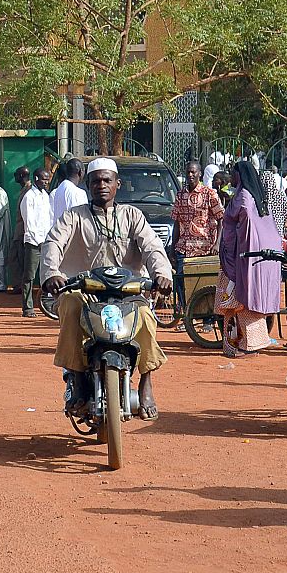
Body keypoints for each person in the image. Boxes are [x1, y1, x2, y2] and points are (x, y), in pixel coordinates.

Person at [42, 158, 173, 419]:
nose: (101, 185)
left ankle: (146, 382)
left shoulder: (132, 215)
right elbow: (53, 243)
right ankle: (78, 378)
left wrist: (162, 274)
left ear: (117, 185)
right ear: (88, 185)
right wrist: (51, 273)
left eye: (107, 180)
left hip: (128, 292)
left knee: (146, 316)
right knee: (69, 305)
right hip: (85, 291)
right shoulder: (74, 216)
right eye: (96, 181)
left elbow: (152, 247)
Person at [215, 160, 282, 356]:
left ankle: (245, 344)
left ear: (241, 176)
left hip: (238, 256)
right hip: (244, 255)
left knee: (236, 302)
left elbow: (240, 222)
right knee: (240, 302)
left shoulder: (243, 196)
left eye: (234, 174)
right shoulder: (255, 197)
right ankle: (242, 343)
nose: (232, 178)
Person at [169, 161, 223, 313]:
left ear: (200, 174)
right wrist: (172, 248)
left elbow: (221, 219)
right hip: (183, 248)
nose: (190, 175)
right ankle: (186, 314)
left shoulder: (209, 194)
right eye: (188, 172)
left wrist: (217, 244)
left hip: (204, 248)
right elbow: (176, 223)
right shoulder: (180, 195)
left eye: (193, 172)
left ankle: (207, 316)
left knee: (205, 284)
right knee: (180, 282)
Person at [18, 167, 53, 317]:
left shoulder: (46, 195)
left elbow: (50, 218)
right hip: (33, 241)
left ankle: (48, 304)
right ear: (36, 179)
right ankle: (27, 307)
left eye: (47, 179)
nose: (46, 182)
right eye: (43, 179)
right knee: (29, 276)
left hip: (46, 240)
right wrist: (37, 239)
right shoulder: (29, 196)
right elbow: (29, 221)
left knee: (47, 274)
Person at [49, 157, 88, 226]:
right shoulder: (77, 192)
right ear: (80, 172)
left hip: (59, 232)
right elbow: (79, 219)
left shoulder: (59, 189)